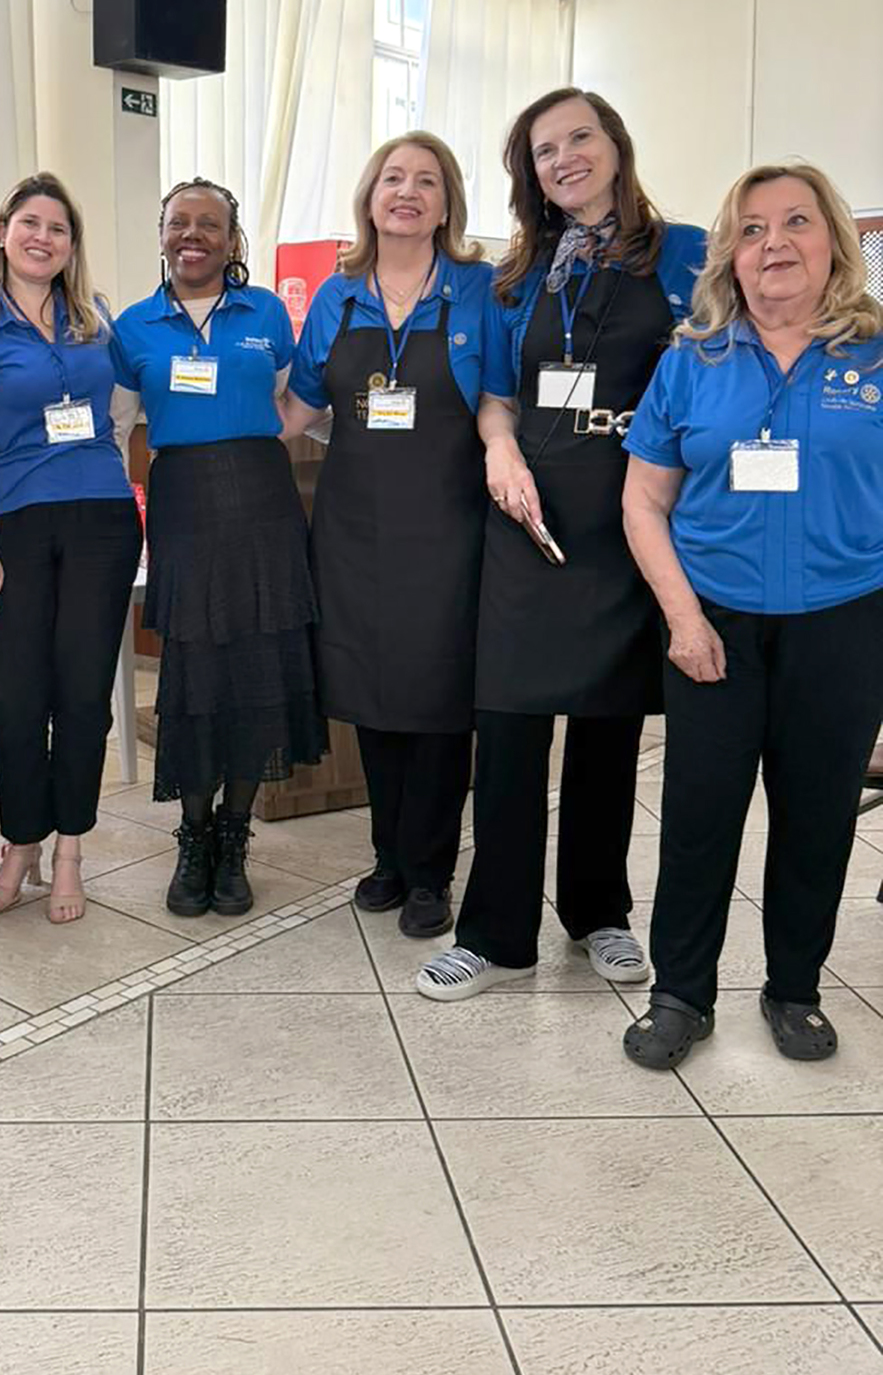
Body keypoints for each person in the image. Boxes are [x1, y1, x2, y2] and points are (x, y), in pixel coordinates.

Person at [416, 88, 706, 1001]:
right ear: (528, 173)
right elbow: (499, 392)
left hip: (628, 519)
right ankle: (494, 930)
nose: (564, 157)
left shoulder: (687, 254)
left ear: (615, 144)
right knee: (505, 725)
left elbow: (716, 369)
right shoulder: (517, 275)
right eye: (544, 150)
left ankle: (599, 912)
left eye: (579, 137)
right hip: (527, 517)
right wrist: (498, 450)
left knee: (607, 726)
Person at [620, 164, 883, 1067]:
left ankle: (794, 990)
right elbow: (642, 502)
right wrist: (682, 621)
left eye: (796, 223)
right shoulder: (689, 361)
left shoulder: (877, 355)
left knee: (815, 818)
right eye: (752, 228)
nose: (773, 243)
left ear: (833, 243)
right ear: (729, 254)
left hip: (844, 625)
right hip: (713, 628)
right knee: (698, 817)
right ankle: (679, 995)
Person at [281, 134, 494, 937]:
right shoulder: (335, 297)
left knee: (437, 699)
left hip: (448, 525)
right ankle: (388, 858)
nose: (407, 192)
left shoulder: (479, 290)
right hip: (353, 530)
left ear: (447, 202)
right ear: (370, 196)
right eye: (393, 178)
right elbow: (298, 408)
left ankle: (432, 870)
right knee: (370, 695)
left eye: (427, 181)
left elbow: (498, 400)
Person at [111, 178, 324, 915]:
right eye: (179, 222)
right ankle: (193, 835)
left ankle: (234, 838)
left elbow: (302, 400)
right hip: (186, 510)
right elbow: (115, 431)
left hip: (264, 506)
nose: (192, 234)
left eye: (209, 224)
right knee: (197, 680)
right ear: (162, 233)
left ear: (233, 241)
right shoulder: (133, 326)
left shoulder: (265, 311)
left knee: (259, 672)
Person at [0, 174, 141, 925]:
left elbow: (126, 408)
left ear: (70, 245)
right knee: (17, 694)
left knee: (83, 695)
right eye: (29, 222)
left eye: (57, 228)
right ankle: (20, 841)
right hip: (14, 522)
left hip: (102, 517)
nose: (42, 237)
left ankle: (69, 852)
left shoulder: (95, 320)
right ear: (1, 232)